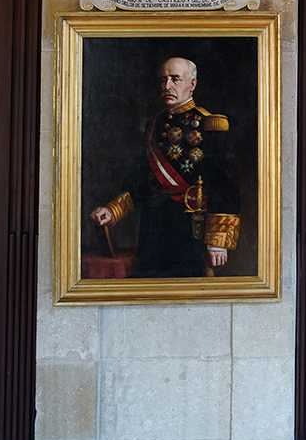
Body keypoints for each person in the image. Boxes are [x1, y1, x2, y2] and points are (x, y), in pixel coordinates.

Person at [89, 57, 240, 277]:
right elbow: (139, 182)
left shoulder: (210, 124)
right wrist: (112, 211)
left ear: (192, 84)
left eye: (175, 79)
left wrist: (217, 241)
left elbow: (224, 184)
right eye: (163, 80)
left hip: (191, 227)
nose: (167, 86)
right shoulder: (152, 126)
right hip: (153, 227)